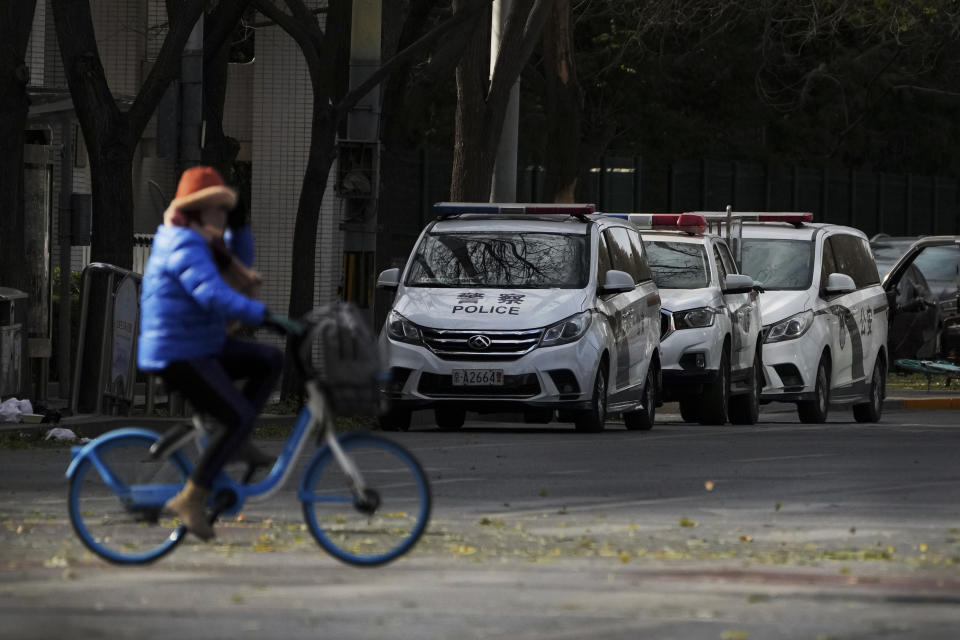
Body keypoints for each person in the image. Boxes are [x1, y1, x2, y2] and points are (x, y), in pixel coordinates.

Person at [138, 166, 284, 541]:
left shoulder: (206, 242)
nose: (222, 215)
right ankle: (191, 498)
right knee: (236, 415)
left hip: (201, 343)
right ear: (199, 211)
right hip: (178, 352)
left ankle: (235, 439)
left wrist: (241, 225)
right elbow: (210, 292)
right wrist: (263, 316)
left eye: (225, 209)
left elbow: (241, 267)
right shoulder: (183, 244)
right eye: (218, 209)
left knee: (270, 360)